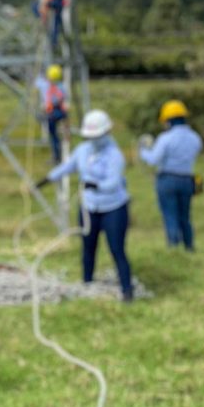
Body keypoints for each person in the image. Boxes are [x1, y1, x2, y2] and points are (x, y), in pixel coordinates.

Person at [36, 109, 134, 302]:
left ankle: (127, 290)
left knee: (117, 249)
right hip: (89, 208)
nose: (93, 140)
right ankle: (87, 284)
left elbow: (113, 182)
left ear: (107, 132)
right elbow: (68, 166)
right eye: (90, 136)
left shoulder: (114, 155)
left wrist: (96, 185)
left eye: (97, 136)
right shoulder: (83, 150)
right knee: (88, 247)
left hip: (113, 208)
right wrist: (47, 179)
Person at [138, 99, 203, 251]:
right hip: (187, 179)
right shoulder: (195, 137)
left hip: (167, 180)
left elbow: (153, 160)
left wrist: (143, 151)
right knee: (185, 216)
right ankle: (189, 247)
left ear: (168, 120)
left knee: (170, 215)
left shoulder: (165, 138)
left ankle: (173, 249)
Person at [34, 64, 68, 163]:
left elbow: (37, 82)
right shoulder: (62, 86)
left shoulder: (45, 85)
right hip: (61, 112)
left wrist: (39, 71)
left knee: (53, 135)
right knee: (57, 135)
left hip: (52, 113)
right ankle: (60, 153)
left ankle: (57, 156)